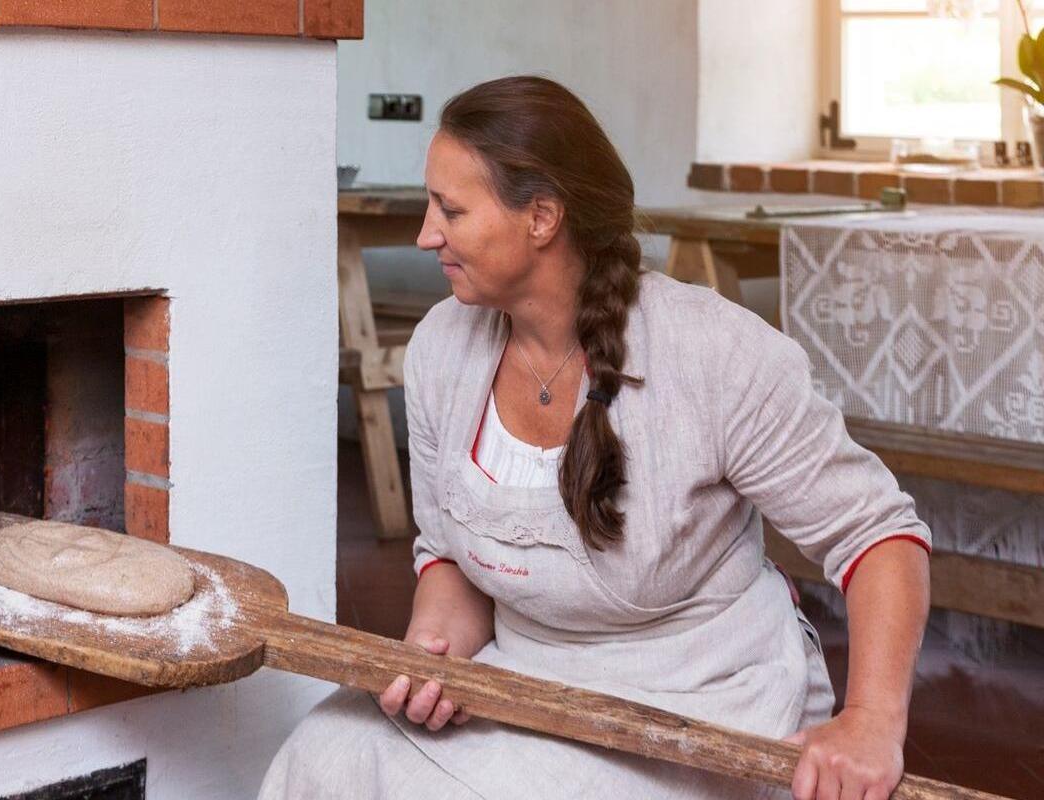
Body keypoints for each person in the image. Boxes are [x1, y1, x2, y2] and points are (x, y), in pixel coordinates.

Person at [259, 76, 931, 800]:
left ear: (541, 217)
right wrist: (437, 657)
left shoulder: (713, 353)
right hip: (529, 683)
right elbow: (449, 555)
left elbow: (878, 536)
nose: (426, 235)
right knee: (325, 753)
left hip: (696, 701)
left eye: (450, 210)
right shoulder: (439, 352)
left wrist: (870, 721)